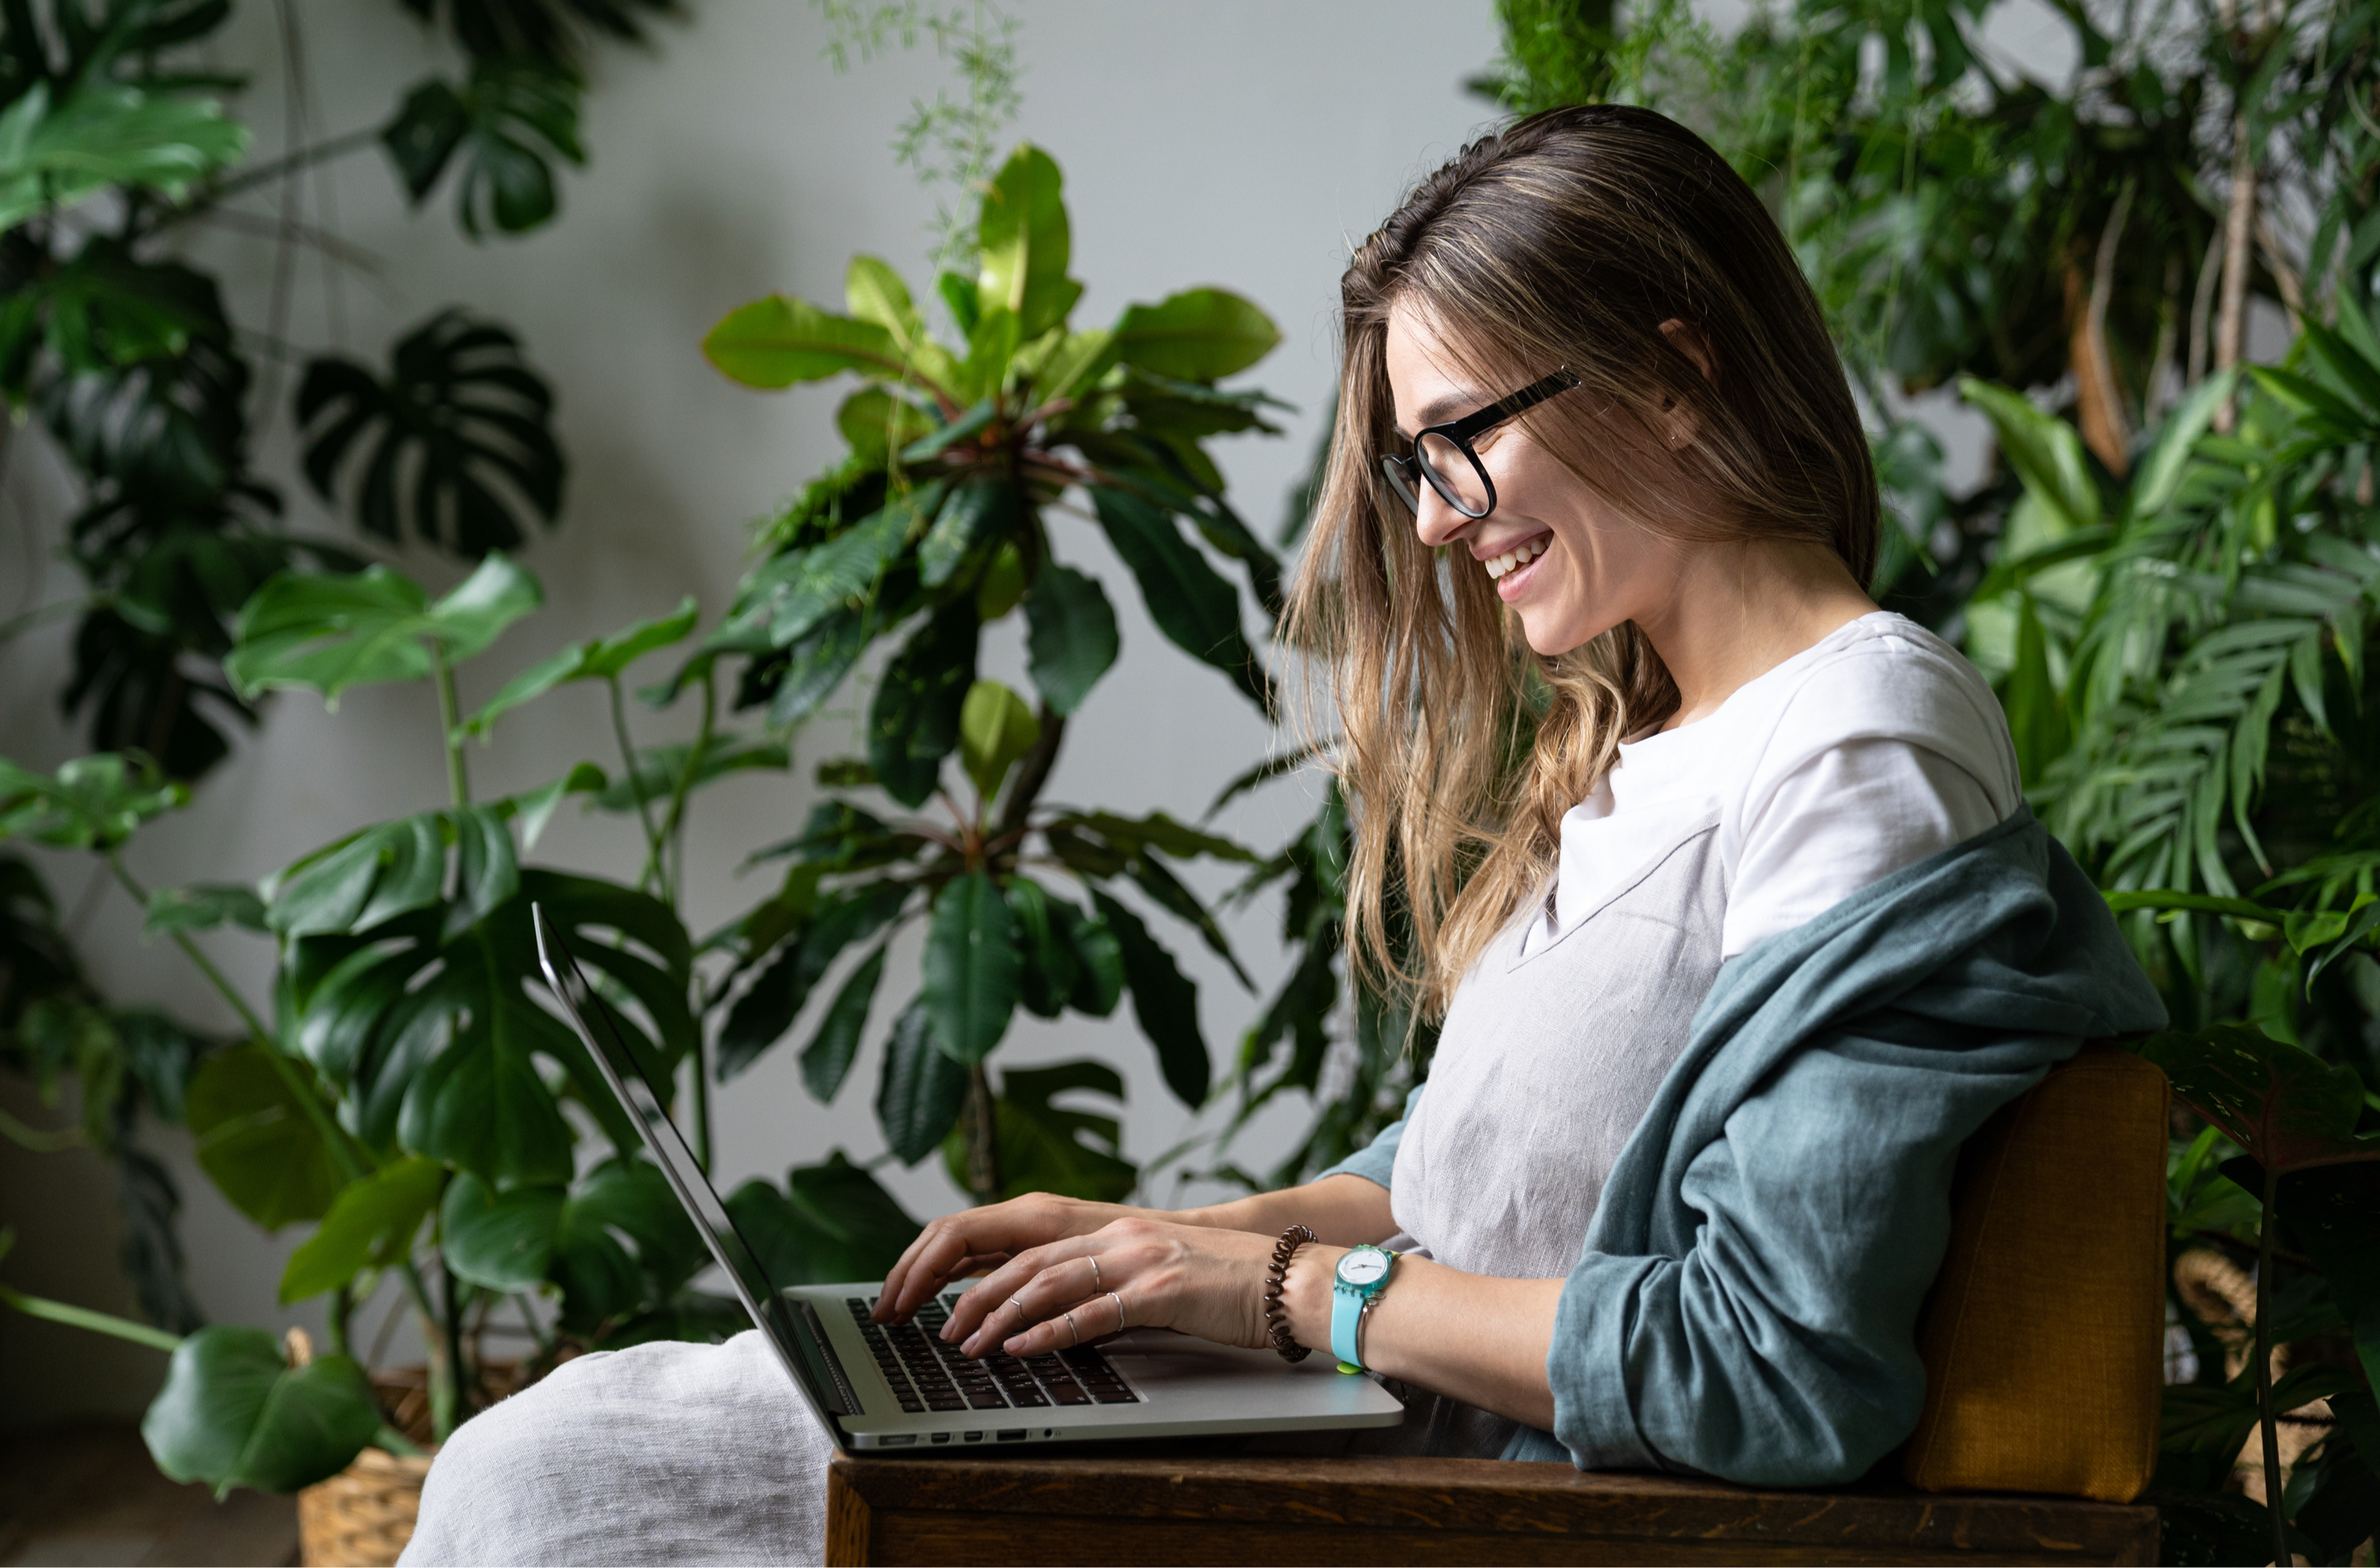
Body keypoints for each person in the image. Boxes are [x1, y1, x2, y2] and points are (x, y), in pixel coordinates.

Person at [402, 104, 2162, 1566]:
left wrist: (1276, 1293)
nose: (1442, 518)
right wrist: (1156, 1252)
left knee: (542, 1489)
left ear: (1678, 374)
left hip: (1408, 1501)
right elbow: (1477, 1185)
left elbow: (1768, 1363)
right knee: (573, 1438)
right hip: (1349, 1417)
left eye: (1460, 437)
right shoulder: (1658, 739)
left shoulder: (1859, 738)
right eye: (1414, 465)